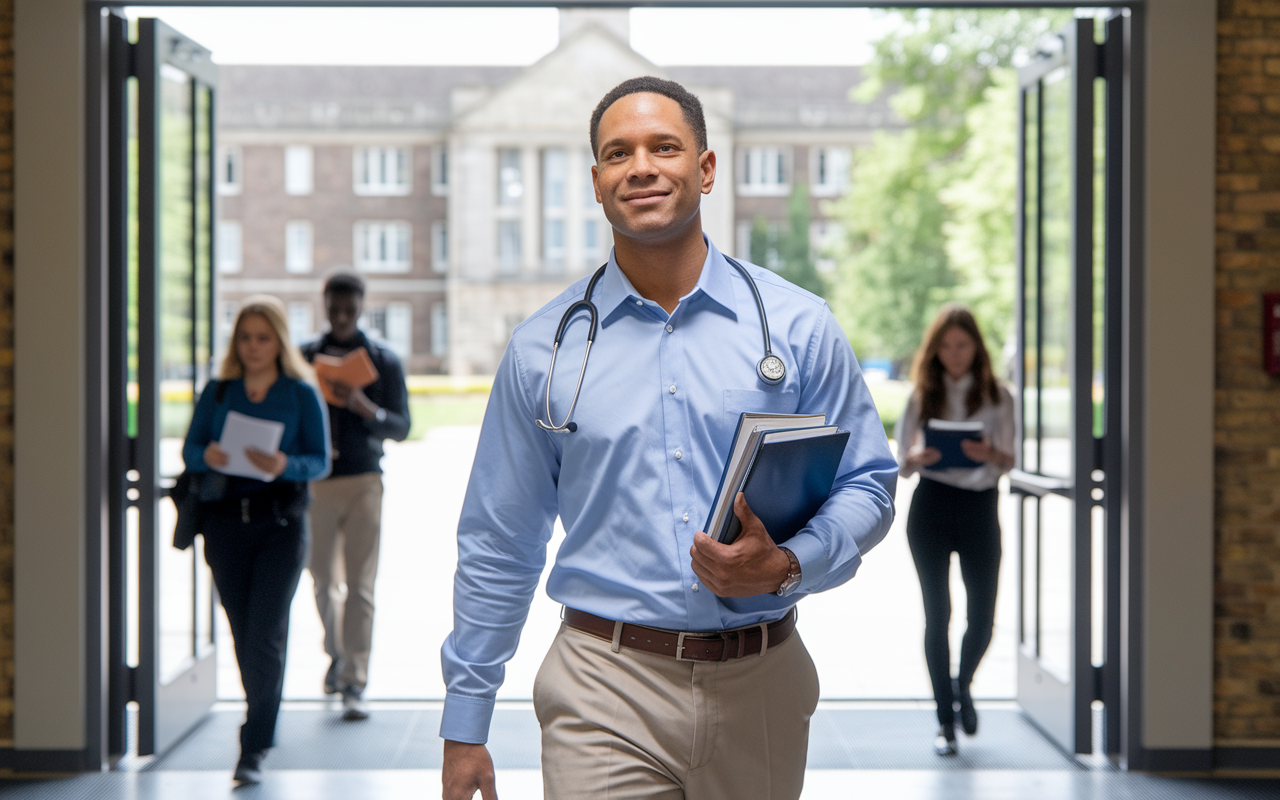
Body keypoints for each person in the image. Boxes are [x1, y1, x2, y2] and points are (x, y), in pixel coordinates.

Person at [440, 76, 897, 800]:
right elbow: (501, 538)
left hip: (762, 684)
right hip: (603, 684)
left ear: (706, 168)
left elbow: (867, 484)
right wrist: (466, 719)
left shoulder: (798, 327)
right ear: (597, 183)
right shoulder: (543, 352)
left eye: (665, 147)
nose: (641, 166)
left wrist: (787, 564)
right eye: (618, 153)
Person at [181, 295, 331, 784]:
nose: (253, 347)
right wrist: (211, 457)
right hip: (225, 525)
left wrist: (285, 465)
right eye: (245, 338)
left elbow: (320, 460)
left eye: (262, 338)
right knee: (243, 632)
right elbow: (191, 449)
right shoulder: (219, 391)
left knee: (266, 634)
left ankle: (253, 745)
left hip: (280, 527)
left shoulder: (301, 393)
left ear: (279, 341)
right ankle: (260, 720)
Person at [894, 304, 1015, 756]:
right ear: (935, 351)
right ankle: (945, 720)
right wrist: (917, 457)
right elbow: (900, 464)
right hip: (931, 506)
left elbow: (1010, 458)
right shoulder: (922, 394)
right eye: (945, 346)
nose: (954, 354)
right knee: (937, 616)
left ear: (976, 347)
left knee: (982, 616)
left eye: (962, 345)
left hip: (980, 507)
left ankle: (962, 686)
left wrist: (988, 453)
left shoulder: (1000, 396)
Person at [300, 272, 411, 721]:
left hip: (364, 480)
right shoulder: (306, 358)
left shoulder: (382, 360)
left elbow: (401, 427)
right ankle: (337, 656)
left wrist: (366, 408)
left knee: (361, 586)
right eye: (335, 309)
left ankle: (354, 679)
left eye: (350, 309)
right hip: (317, 482)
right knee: (323, 581)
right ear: (325, 305)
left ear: (362, 306)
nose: (342, 317)